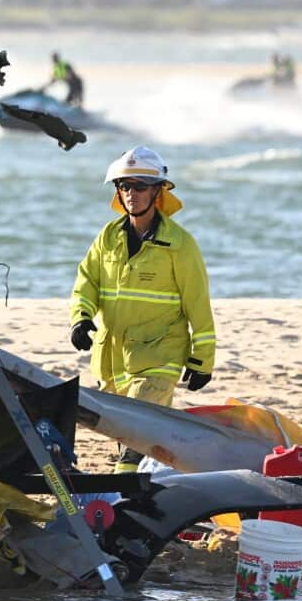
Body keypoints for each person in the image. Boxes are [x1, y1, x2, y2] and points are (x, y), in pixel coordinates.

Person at [69, 145, 216, 472]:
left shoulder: (180, 245)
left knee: (135, 439)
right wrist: (80, 318)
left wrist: (203, 360)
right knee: (128, 433)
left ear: (158, 191)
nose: (131, 193)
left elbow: (198, 304)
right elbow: (87, 282)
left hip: (160, 357)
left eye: (140, 186)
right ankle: (143, 490)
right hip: (112, 360)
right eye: (124, 186)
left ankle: (120, 500)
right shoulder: (107, 238)